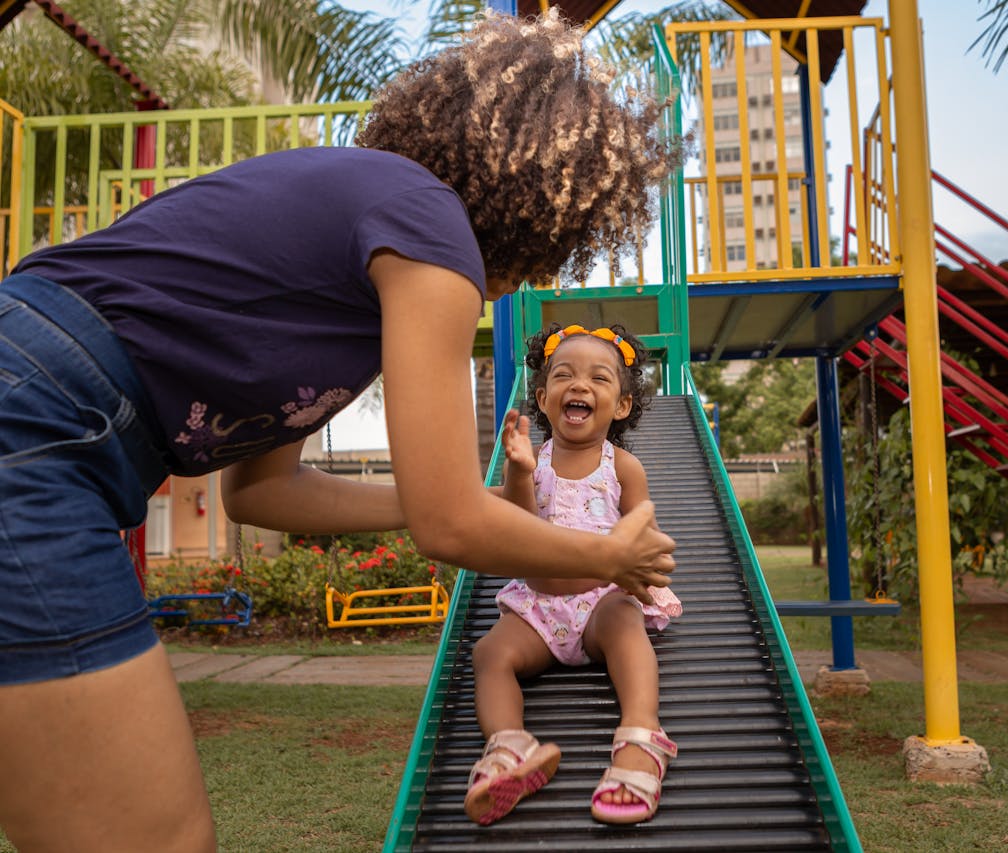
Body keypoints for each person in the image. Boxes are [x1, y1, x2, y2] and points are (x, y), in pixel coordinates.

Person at [0, 11, 679, 852]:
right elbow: (452, 528)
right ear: (538, 205)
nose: (522, 280)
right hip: (37, 422)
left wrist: (446, 499)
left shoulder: (350, 259)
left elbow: (264, 492)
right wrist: (608, 557)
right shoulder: (431, 226)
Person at [464, 322, 681, 827]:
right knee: (490, 653)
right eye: (564, 376)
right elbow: (517, 527)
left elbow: (642, 531)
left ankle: (642, 737)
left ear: (621, 406)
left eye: (599, 379)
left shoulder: (622, 467)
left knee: (627, 626)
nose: (580, 386)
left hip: (601, 599)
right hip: (540, 608)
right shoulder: (530, 461)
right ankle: (510, 747)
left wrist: (641, 577)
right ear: (543, 398)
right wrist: (518, 472)